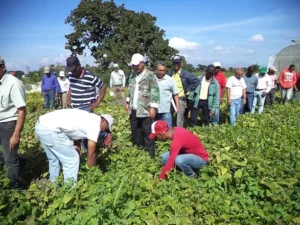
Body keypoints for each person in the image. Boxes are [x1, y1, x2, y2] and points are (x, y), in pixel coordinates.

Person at [35, 109, 113, 185]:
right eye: (106, 129)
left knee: (54, 159)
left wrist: (77, 148)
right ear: (103, 121)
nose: (104, 132)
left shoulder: (90, 118)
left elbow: (76, 133)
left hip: (41, 126)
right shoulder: (95, 125)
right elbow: (91, 152)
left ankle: (53, 186)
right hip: (51, 130)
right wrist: (93, 172)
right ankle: (69, 191)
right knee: (72, 160)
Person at [125, 53, 160, 157]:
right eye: (133, 65)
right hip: (134, 108)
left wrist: (153, 108)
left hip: (146, 109)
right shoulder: (132, 75)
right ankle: (138, 150)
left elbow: (155, 92)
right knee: (135, 131)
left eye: (137, 65)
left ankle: (150, 154)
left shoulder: (150, 75)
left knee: (147, 132)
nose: (135, 67)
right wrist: (127, 102)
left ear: (142, 63)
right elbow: (130, 89)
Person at [0, 58, 26, 190]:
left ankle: (16, 190)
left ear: (3, 67)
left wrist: (16, 134)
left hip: (8, 124)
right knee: (7, 156)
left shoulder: (13, 83)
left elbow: (21, 110)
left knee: (11, 160)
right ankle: (22, 162)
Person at [166, 55, 200, 127]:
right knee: (168, 116)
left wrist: (188, 89)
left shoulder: (186, 74)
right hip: (170, 99)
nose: (176, 64)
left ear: (181, 63)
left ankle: (179, 132)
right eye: (174, 63)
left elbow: (196, 81)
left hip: (181, 98)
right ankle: (168, 131)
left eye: (178, 63)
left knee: (179, 118)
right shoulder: (169, 73)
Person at [154, 61, 179, 128]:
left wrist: (177, 106)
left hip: (166, 110)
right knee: (155, 129)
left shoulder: (169, 80)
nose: (162, 72)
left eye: (164, 70)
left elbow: (175, 94)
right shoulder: (152, 79)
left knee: (168, 129)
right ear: (156, 70)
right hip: (154, 110)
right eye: (160, 70)